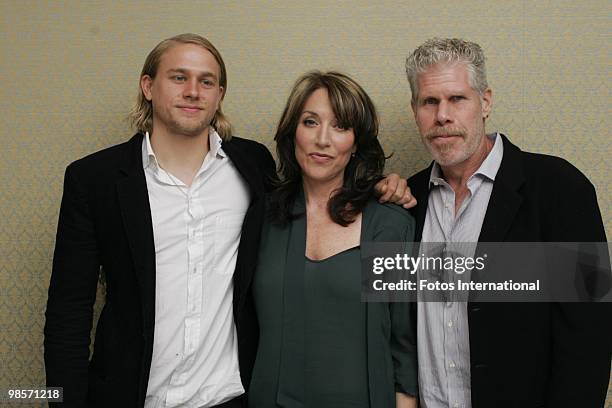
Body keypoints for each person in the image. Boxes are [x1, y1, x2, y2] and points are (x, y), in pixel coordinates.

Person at [44, 34, 414, 407]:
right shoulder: (94, 180)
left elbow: (404, 337)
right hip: (132, 397)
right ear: (148, 86)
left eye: (206, 81)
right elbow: (67, 315)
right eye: (178, 77)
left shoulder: (252, 168)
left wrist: (380, 187)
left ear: (219, 94)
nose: (193, 91)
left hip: (231, 399)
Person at [405, 38, 612, 407]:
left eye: (457, 99)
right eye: (429, 101)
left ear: (485, 102)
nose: (442, 116)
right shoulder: (407, 201)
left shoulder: (561, 188)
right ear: (415, 110)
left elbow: (589, 339)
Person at [248, 71, 418, 408]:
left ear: (356, 143)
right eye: (310, 122)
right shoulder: (260, 218)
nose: (322, 139)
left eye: (340, 126)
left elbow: (404, 346)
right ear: (292, 132)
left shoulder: (390, 225)